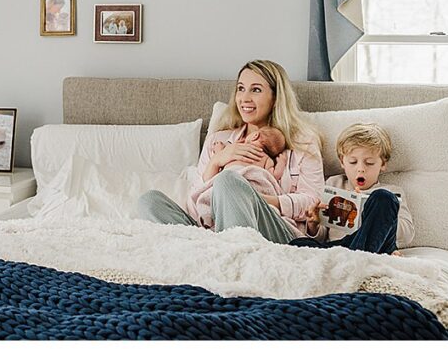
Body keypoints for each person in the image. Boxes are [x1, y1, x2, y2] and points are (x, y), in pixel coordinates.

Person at [137, 60, 324, 244]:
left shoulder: (302, 143)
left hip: (273, 229)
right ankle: (214, 254)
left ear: (276, 98)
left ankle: (229, 256)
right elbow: (195, 209)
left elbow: (312, 201)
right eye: (241, 88)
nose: (245, 98)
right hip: (213, 230)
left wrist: (257, 199)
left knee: (228, 181)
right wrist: (216, 161)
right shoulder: (218, 141)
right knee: (149, 201)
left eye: (256, 90)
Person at [289, 123, 413, 255]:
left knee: (384, 198)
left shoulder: (393, 192)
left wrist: (373, 216)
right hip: (341, 246)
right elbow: (324, 235)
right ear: (342, 162)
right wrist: (314, 225)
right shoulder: (334, 184)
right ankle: (357, 257)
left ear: (383, 164)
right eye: (353, 162)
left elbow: (408, 234)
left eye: (369, 163)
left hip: (376, 245)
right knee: (297, 244)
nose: (360, 168)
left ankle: (357, 256)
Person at [187, 126, 288, 229]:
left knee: (215, 192)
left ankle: (208, 215)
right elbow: (273, 175)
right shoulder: (266, 159)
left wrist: (219, 150)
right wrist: (281, 163)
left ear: (255, 135)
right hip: (251, 187)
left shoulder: (235, 149)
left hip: (232, 182)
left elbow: (219, 162)